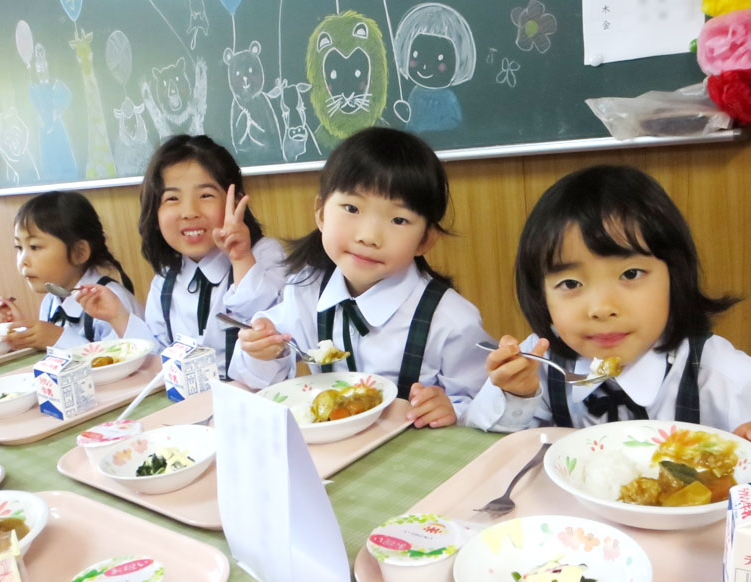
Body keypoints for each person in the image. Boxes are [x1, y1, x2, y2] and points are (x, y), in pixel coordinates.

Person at [230, 127, 492, 428]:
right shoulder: (305, 291)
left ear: (425, 240)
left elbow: (485, 407)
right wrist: (263, 352)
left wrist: (453, 410)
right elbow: (260, 380)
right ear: (321, 213)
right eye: (351, 208)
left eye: (399, 219)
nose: (368, 237)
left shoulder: (452, 320)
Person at [463, 164, 751, 438]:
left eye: (630, 274)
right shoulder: (539, 362)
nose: (601, 308)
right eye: (571, 283)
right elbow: (481, 435)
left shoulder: (718, 372)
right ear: (542, 296)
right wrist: (516, 395)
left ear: (675, 278)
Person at [77, 134, 286, 377]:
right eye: (172, 198)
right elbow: (159, 360)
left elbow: (271, 329)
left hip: (253, 403)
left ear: (236, 201)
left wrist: (240, 259)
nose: (188, 212)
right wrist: (118, 316)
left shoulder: (265, 254)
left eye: (205, 195)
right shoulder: (165, 280)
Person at [0, 191, 142, 350]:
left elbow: (125, 359)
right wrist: (23, 332)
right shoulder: (50, 301)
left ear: (79, 252)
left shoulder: (112, 300)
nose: (23, 261)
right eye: (19, 247)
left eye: (34, 247)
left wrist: (57, 338)